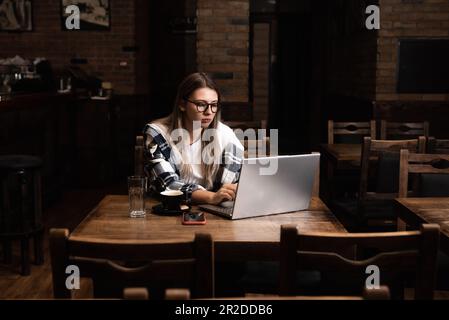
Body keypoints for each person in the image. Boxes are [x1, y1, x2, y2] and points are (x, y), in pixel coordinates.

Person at [143, 72, 244, 205]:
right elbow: (167, 184)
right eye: (201, 104)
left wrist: (234, 189)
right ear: (182, 104)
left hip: (214, 212)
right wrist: (211, 197)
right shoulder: (158, 133)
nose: (209, 112)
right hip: (170, 210)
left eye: (214, 104)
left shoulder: (225, 134)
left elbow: (238, 178)